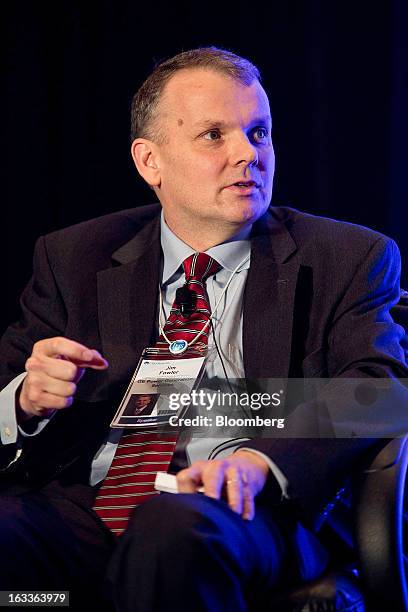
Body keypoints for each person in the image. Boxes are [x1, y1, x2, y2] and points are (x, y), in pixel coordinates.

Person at [0, 46, 407, 611]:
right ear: (150, 162)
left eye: (259, 133)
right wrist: (24, 400)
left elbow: (383, 384)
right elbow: (9, 392)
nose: (247, 154)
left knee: (172, 532)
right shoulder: (74, 257)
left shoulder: (347, 256)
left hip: (248, 512)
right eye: (214, 135)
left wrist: (264, 461)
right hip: (91, 508)